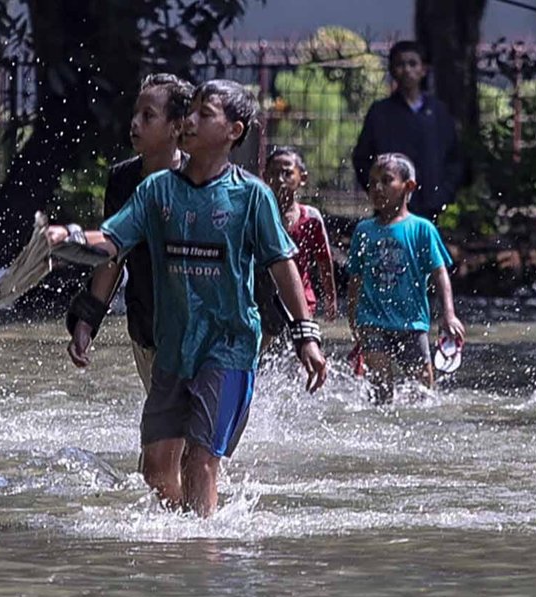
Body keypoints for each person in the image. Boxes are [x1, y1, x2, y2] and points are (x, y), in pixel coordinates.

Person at [43, 79, 328, 517]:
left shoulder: (252, 196)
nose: (189, 122)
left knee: (200, 459)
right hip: (172, 349)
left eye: (203, 114)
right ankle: (185, 540)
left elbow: (281, 265)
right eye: (189, 111)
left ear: (233, 131)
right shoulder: (156, 191)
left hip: (228, 348)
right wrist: (69, 238)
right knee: (157, 467)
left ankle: (203, 558)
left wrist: (305, 333)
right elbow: (113, 243)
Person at [67, 73, 193, 392]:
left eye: (148, 116)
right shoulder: (123, 180)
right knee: (164, 434)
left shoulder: (202, 179)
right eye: (135, 114)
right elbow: (112, 256)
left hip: (200, 333)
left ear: (177, 126)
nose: (135, 123)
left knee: (192, 434)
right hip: (146, 327)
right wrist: (87, 321)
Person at [346, 153, 464, 404]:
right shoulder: (363, 231)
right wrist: (353, 316)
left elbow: (440, 272)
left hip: (411, 323)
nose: (377, 188)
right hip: (372, 321)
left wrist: (449, 314)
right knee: (380, 391)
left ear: (408, 186)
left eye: (386, 181)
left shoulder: (422, 229)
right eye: (372, 182)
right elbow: (355, 276)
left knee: (423, 391)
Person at [351, 40, 463, 221]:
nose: (407, 70)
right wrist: (380, 189)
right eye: (400, 64)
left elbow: (454, 159)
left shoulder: (438, 112)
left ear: (423, 69)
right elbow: (362, 158)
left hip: (431, 207)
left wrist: (443, 194)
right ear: (392, 70)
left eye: (412, 64)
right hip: (390, 209)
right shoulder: (381, 112)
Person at [256, 146, 338, 352]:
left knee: (304, 340)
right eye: (274, 173)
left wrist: (330, 296)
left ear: (302, 178)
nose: (280, 179)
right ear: (265, 177)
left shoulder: (311, 217)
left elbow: (323, 259)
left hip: (301, 293)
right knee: (262, 346)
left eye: (287, 173)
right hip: (263, 294)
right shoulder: (257, 213)